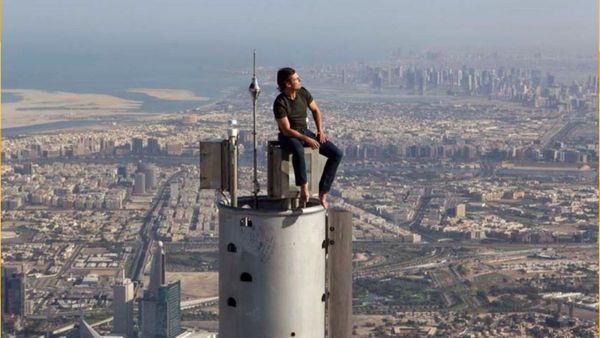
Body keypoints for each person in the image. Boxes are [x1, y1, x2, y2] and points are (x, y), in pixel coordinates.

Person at [273, 67, 343, 208]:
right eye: (296, 79)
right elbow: (286, 130)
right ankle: (304, 187)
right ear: (287, 84)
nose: (300, 81)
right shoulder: (280, 102)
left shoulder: (303, 93)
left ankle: (323, 191)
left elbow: (316, 110)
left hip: (304, 131)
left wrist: (320, 131)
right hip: (289, 136)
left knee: (336, 153)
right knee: (298, 150)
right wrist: (306, 139)